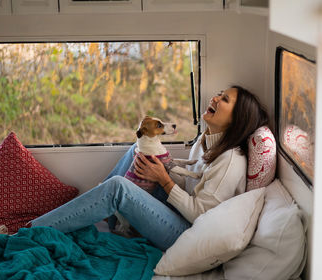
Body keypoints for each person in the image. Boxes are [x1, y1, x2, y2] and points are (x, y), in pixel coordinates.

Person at [31, 85, 269, 251]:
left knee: (118, 188)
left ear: (237, 119)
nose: (215, 99)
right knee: (138, 152)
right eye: (219, 94)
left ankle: (31, 231)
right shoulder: (206, 140)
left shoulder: (230, 162)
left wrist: (164, 180)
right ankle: (105, 214)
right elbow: (189, 185)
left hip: (186, 232)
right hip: (179, 213)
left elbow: (200, 216)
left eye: (224, 99)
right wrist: (160, 173)